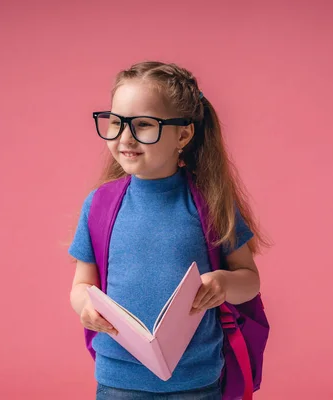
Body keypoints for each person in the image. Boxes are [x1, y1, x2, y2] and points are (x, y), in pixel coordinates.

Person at [69, 61, 269, 400]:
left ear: (184, 134)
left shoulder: (211, 203)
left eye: (144, 124)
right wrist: (85, 308)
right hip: (119, 380)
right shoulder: (99, 204)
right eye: (116, 122)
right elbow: (81, 286)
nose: (125, 137)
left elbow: (250, 280)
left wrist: (222, 284)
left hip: (197, 381)